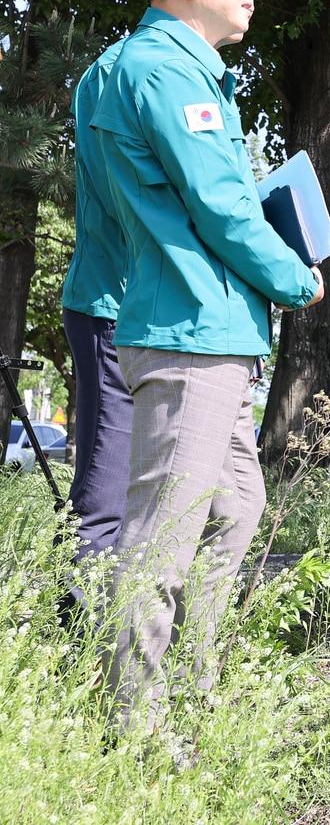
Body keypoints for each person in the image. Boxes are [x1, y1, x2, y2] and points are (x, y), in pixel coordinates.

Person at [93, 0, 325, 729]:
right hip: (188, 332)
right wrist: (295, 276)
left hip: (211, 330)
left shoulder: (165, 68)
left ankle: (194, 691)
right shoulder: (163, 68)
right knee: (164, 534)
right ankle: (139, 731)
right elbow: (222, 207)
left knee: (235, 512)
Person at [60, 36, 132, 602]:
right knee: (106, 497)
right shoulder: (126, 70)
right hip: (116, 308)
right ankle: (80, 645)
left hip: (136, 308)